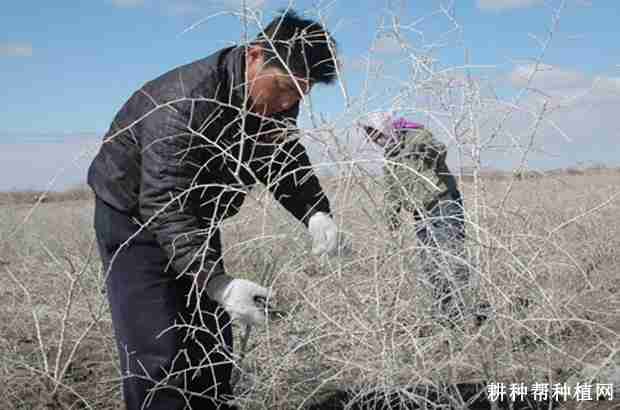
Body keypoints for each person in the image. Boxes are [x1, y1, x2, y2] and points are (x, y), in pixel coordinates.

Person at [88, 11, 347, 409]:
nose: (289, 103)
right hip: (135, 219)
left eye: (301, 93)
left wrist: (314, 211)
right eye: (284, 88)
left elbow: (280, 157)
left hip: (195, 217)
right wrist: (217, 282)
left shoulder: (274, 103)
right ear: (256, 55)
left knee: (210, 344)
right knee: (160, 350)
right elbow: (163, 201)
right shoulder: (183, 101)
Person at [360, 112, 487, 329]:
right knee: (431, 264)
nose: (377, 140)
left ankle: (468, 310)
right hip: (421, 214)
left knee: (452, 258)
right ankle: (445, 315)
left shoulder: (417, 136)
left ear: (386, 127)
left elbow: (439, 150)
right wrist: (391, 216)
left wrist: (424, 150)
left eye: (377, 134)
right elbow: (392, 189)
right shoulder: (390, 156)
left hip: (443, 204)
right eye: (373, 137)